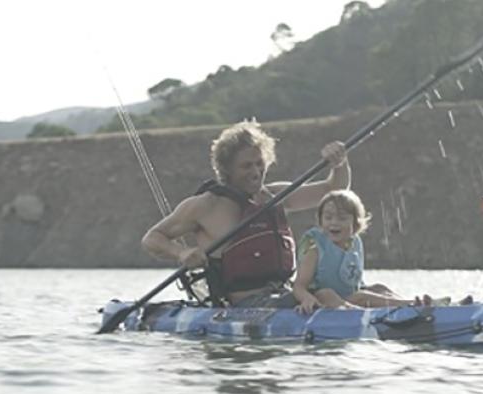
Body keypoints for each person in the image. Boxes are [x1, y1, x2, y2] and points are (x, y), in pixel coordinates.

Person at [141, 120, 350, 308]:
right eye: (246, 166)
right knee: (326, 295)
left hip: (284, 293)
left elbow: (333, 189)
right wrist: (181, 253)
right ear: (227, 169)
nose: (256, 172)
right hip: (246, 305)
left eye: (260, 163)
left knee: (375, 291)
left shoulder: (275, 195)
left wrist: (339, 163)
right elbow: (152, 238)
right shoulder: (206, 205)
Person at [290, 190, 423, 313]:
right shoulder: (314, 247)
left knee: (379, 288)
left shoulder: (355, 242)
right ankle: (406, 305)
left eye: (342, 218)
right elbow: (299, 286)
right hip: (322, 297)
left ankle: (411, 305)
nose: (334, 223)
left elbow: (356, 283)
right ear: (320, 220)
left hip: (351, 295)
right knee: (329, 293)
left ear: (355, 223)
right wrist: (307, 299)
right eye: (328, 218)